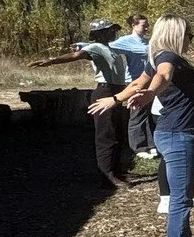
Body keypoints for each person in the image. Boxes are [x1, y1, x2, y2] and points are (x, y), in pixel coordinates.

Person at [92, 16, 194, 237]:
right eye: (188, 34)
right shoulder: (167, 57)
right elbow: (163, 76)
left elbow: (138, 82)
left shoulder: (159, 56)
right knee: (181, 199)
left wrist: (115, 98)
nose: (190, 39)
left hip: (173, 133)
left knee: (181, 196)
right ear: (175, 34)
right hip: (178, 134)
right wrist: (151, 93)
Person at [28, 20, 132, 189]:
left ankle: (116, 170)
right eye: (109, 30)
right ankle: (107, 175)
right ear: (99, 34)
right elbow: (76, 55)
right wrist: (51, 61)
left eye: (113, 30)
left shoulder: (109, 48)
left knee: (118, 133)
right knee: (106, 135)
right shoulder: (96, 47)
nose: (113, 32)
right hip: (105, 92)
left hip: (116, 92)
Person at [111, 14, 156, 164]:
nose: (147, 28)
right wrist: (81, 46)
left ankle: (151, 144)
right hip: (135, 81)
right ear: (134, 25)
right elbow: (106, 46)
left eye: (147, 25)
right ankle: (138, 146)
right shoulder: (125, 41)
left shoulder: (148, 42)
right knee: (137, 112)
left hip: (150, 80)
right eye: (143, 25)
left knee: (149, 112)